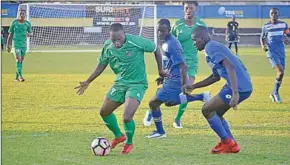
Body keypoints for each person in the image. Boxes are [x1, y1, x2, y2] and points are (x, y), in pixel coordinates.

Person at [74, 23, 167, 155]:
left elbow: (155, 49)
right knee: (104, 112)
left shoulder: (136, 41)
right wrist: (88, 81)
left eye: (119, 39)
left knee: (127, 117)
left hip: (137, 83)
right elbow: (102, 64)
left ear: (124, 34)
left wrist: (160, 70)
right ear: (109, 37)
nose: (117, 42)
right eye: (114, 39)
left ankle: (129, 142)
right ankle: (119, 136)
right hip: (120, 83)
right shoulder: (108, 46)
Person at [184, 26, 253, 154]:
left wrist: (235, 93)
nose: (193, 43)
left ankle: (227, 143)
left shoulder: (211, 47)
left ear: (203, 38)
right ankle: (231, 144)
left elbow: (230, 67)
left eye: (195, 40)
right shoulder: (210, 50)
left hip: (239, 88)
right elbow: (215, 77)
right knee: (217, 113)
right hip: (239, 86)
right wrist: (194, 86)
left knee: (207, 109)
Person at [143, 1, 207, 129]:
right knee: (166, 91)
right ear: (184, 9)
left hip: (191, 64)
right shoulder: (177, 25)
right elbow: (168, 42)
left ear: (196, 9)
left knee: (187, 90)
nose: (189, 10)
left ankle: (177, 119)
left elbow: (205, 42)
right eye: (186, 8)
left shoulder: (201, 25)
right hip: (175, 64)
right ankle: (151, 110)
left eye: (191, 8)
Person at [260, 8, 290, 103]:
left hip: (281, 51)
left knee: (281, 74)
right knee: (280, 71)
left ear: (278, 14)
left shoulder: (283, 25)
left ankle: (274, 92)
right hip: (271, 52)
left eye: (275, 13)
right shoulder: (266, 26)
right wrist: (263, 46)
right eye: (272, 13)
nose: (274, 15)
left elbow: (288, 35)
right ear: (269, 15)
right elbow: (262, 37)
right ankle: (275, 94)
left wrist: (287, 40)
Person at [6, 9, 33, 82]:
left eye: (23, 13)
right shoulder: (14, 23)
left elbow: (31, 33)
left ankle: (16, 77)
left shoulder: (27, 23)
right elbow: (10, 34)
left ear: (25, 15)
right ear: (18, 14)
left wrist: (29, 34)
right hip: (16, 45)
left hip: (24, 45)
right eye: (20, 13)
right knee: (18, 59)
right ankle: (21, 77)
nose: (22, 15)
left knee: (20, 61)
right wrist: (8, 45)